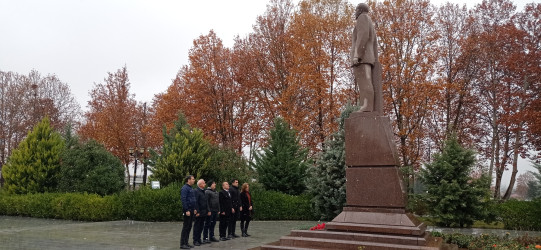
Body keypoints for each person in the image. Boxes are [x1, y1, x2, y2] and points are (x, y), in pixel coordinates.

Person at [351, 2, 378, 112]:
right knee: (365, 82)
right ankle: (365, 105)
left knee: (364, 82)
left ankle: (366, 106)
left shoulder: (362, 18)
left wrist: (357, 55)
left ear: (360, 10)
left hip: (362, 57)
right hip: (367, 56)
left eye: (356, 9)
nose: (355, 12)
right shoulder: (369, 20)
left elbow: (363, 36)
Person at [180, 175, 196, 249]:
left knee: (189, 227)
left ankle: (186, 243)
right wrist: (186, 210)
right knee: (186, 227)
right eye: (193, 179)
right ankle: (182, 244)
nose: (194, 180)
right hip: (188, 210)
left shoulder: (190, 188)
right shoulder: (185, 188)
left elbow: (193, 199)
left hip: (192, 210)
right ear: (188, 180)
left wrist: (194, 208)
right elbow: (184, 200)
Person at [192, 179, 209, 246]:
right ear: (200, 184)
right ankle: (195, 240)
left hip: (204, 212)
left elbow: (205, 202)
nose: (205, 184)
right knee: (197, 227)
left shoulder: (203, 191)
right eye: (204, 183)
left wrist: (207, 210)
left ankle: (199, 239)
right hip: (199, 213)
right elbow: (195, 202)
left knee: (201, 227)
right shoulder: (196, 191)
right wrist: (197, 211)